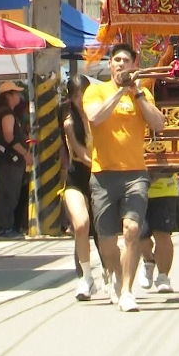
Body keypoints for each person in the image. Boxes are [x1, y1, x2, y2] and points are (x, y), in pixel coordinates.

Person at [84, 43, 166, 312]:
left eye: (125, 60)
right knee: (107, 242)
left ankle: (128, 290)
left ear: (134, 65)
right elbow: (95, 117)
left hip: (135, 174)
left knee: (131, 230)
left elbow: (158, 124)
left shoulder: (141, 94)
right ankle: (115, 274)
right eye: (116, 60)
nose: (121, 64)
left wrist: (138, 94)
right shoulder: (96, 91)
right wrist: (120, 91)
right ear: (110, 64)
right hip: (103, 174)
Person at [61, 75, 99, 301]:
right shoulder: (69, 122)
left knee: (104, 230)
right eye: (76, 96)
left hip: (102, 178)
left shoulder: (99, 116)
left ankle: (110, 273)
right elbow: (80, 153)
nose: (81, 100)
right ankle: (85, 277)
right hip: (78, 177)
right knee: (81, 224)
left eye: (84, 94)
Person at [0, 81, 32, 240]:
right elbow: (9, 136)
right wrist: (25, 153)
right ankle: (5, 229)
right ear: (8, 95)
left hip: (11, 160)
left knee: (11, 193)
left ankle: (8, 227)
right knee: (9, 194)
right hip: (10, 160)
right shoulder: (7, 114)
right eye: (15, 93)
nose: (18, 96)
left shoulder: (7, 113)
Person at [137, 172, 178, 295]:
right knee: (140, 235)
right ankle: (149, 261)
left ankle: (163, 276)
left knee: (162, 234)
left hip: (165, 190)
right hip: (137, 189)